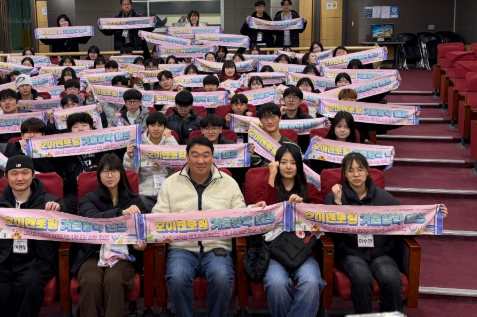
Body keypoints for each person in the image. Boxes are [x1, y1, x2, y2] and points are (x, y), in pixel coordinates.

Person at [325, 153, 448, 314]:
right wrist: (337, 203)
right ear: (345, 174)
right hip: (350, 253)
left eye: (360, 170)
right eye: (350, 170)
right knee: (362, 278)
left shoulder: (386, 199)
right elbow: (329, 227)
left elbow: (405, 223)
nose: (356, 174)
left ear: (367, 171)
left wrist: (433, 217)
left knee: (391, 279)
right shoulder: (334, 196)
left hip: (380, 253)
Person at [153, 137, 259, 317]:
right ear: (187, 157)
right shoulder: (170, 184)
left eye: (205, 155)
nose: (200, 161)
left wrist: (253, 210)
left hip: (217, 247)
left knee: (222, 277)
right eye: (195, 155)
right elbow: (158, 216)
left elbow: (239, 213)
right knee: (177, 277)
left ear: (212, 157)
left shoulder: (229, 183)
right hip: (182, 248)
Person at [0, 155, 65, 317]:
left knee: (30, 286)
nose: (20, 178)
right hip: (1, 260)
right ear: (6, 177)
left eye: (25, 173)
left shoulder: (50, 202)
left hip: (34, 260)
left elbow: (65, 234)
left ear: (33, 175)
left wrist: (58, 214)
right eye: (14, 173)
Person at [72, 154, 148, 317]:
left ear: (121, 173)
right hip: (92, 253)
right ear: (99, 174)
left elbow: (145, 229)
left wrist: (141, 242)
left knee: (113, 280)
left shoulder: (135, 201)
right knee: (90, 281)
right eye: (105, 171)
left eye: (114, 171)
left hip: (123, 254)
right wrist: (121, 213)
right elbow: (91, 219)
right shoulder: (88, 198)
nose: (110, 175)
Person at [255, 145, 326, 317]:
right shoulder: (266, 186)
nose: (288, 167)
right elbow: (260, 218)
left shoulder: (310, 188)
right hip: (274, 252)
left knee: (311, 282)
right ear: (276, 164)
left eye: (293, 163)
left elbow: (321, 218)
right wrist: (271, 177)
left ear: (299, 166)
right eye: (284, 162)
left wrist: (303, 207)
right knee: (276, 284)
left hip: (303, 252)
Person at [124, 113, 178, 212]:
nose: (156, 129)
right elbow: (130, 172)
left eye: (160, 125)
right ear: (147, 127)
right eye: (153, 125)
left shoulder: (170, 141)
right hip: (144, 189)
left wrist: (169, 141)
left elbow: (177, 166)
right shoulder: (138, 142)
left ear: (165, 127)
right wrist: (130, 157)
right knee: (140, 205)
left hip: (166, 188)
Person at [57, 113, 99, 213]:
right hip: (75, 191)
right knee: (64, 207)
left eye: (84, 125)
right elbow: (50, 167)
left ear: (91, 128)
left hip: (102, 188)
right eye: (75, 126)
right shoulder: (63, 150)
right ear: (70, 130)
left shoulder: (105, 145)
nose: (80, 129)